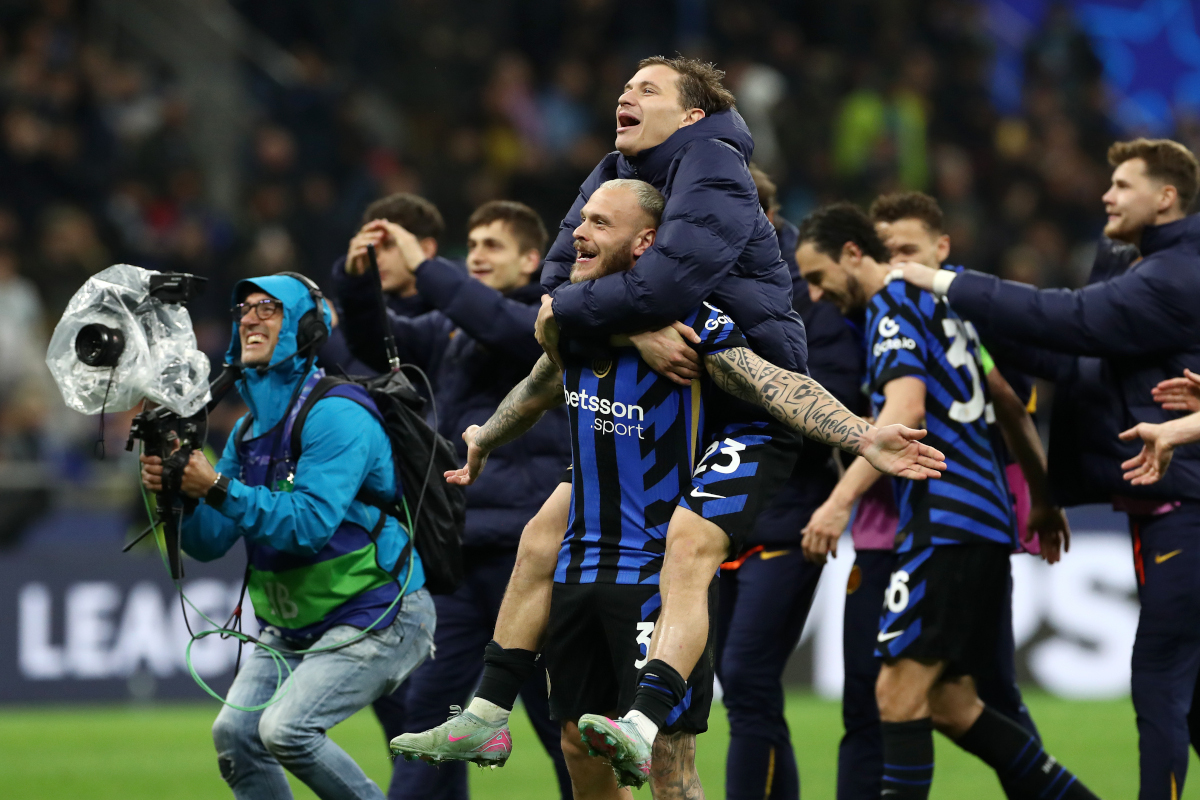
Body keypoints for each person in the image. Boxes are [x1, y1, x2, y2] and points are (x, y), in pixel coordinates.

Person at [395, 180, 943, 797]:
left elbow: (772, 384)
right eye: (583, 219)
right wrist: (486, 437)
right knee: (575, 743)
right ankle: (487, 714)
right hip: (586, 556)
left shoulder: (689, 323)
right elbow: (539, 386)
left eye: (601, 223)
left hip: (654, 561)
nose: (579, 232)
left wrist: (861, 434)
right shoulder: (575, 317)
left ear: (645, 243)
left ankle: (622, 715)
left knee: (669, 764)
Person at [389, 56, 823, 782]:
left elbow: (660, 289)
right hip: (661, 405)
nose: (625, 93)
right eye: (624, 85)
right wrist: (620, 330)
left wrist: (865, 436)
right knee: (542, 538)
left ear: (691, 116)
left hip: (739, 405)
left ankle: (646, 720)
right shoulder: (617, 171)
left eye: (648, 88)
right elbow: (557, 290)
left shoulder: (714, 163)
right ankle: (489, 714)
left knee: (687, 554)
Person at [895, 137, 1200, 800]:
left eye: (1122, 185)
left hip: (1189, 508)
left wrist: (948, 284)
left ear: (1165, 197)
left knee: (1160, 680)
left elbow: (1074, 320)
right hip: (1163, 506)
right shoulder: (1137, 262)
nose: (1106, 196)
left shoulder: (1174, 273)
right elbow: (1078, 359)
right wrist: (974, 325)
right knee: (1189, 697)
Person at [796, 203, 1098, 800]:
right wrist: (1040, 497)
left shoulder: (891, 302)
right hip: (982, 516)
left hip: (944, 521)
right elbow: (1005, 399)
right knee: (952, 705)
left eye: (818, 276)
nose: (814, 294)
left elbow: (905, 408)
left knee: (896, 695)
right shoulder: (946, 302)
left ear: (853, 255)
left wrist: (838, 502)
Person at [140, 273, 433, 800]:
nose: (250, 318)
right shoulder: (247, 431)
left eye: (269, 308)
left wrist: (217, 486)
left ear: (306, 327)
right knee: (236, 736)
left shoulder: (337, 413)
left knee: (285, 730)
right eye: (244, 310)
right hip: (296, 626)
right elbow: (209, 542)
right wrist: (181, 495)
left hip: (379, 611)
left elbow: (309, 526)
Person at [334, 201, 574, 799]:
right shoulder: (450, 330)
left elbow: (495, 321)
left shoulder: (551, 323)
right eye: (472, 244)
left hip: (531, 557)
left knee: (559, 726)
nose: (477, 255)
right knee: (428, 717)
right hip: (460, 557)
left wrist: (423, 266)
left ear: (530, 259)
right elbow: (375, 342)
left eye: (493, 244)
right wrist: (356, 282)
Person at [714, 164, 864, 800]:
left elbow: (835, 406)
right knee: (740, 685)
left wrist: (738, 384)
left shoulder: (812, 299)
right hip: (721, 518)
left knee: (748, 679)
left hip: (787, 518)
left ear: (767, 219)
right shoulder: (705, 286)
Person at [320, 192, 440, 375]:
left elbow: (392, 382)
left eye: (389, 245)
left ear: (425, 248)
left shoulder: (454, 315)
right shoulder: (356, 312)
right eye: (372, 248)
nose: (377, 258)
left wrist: (332, 338)